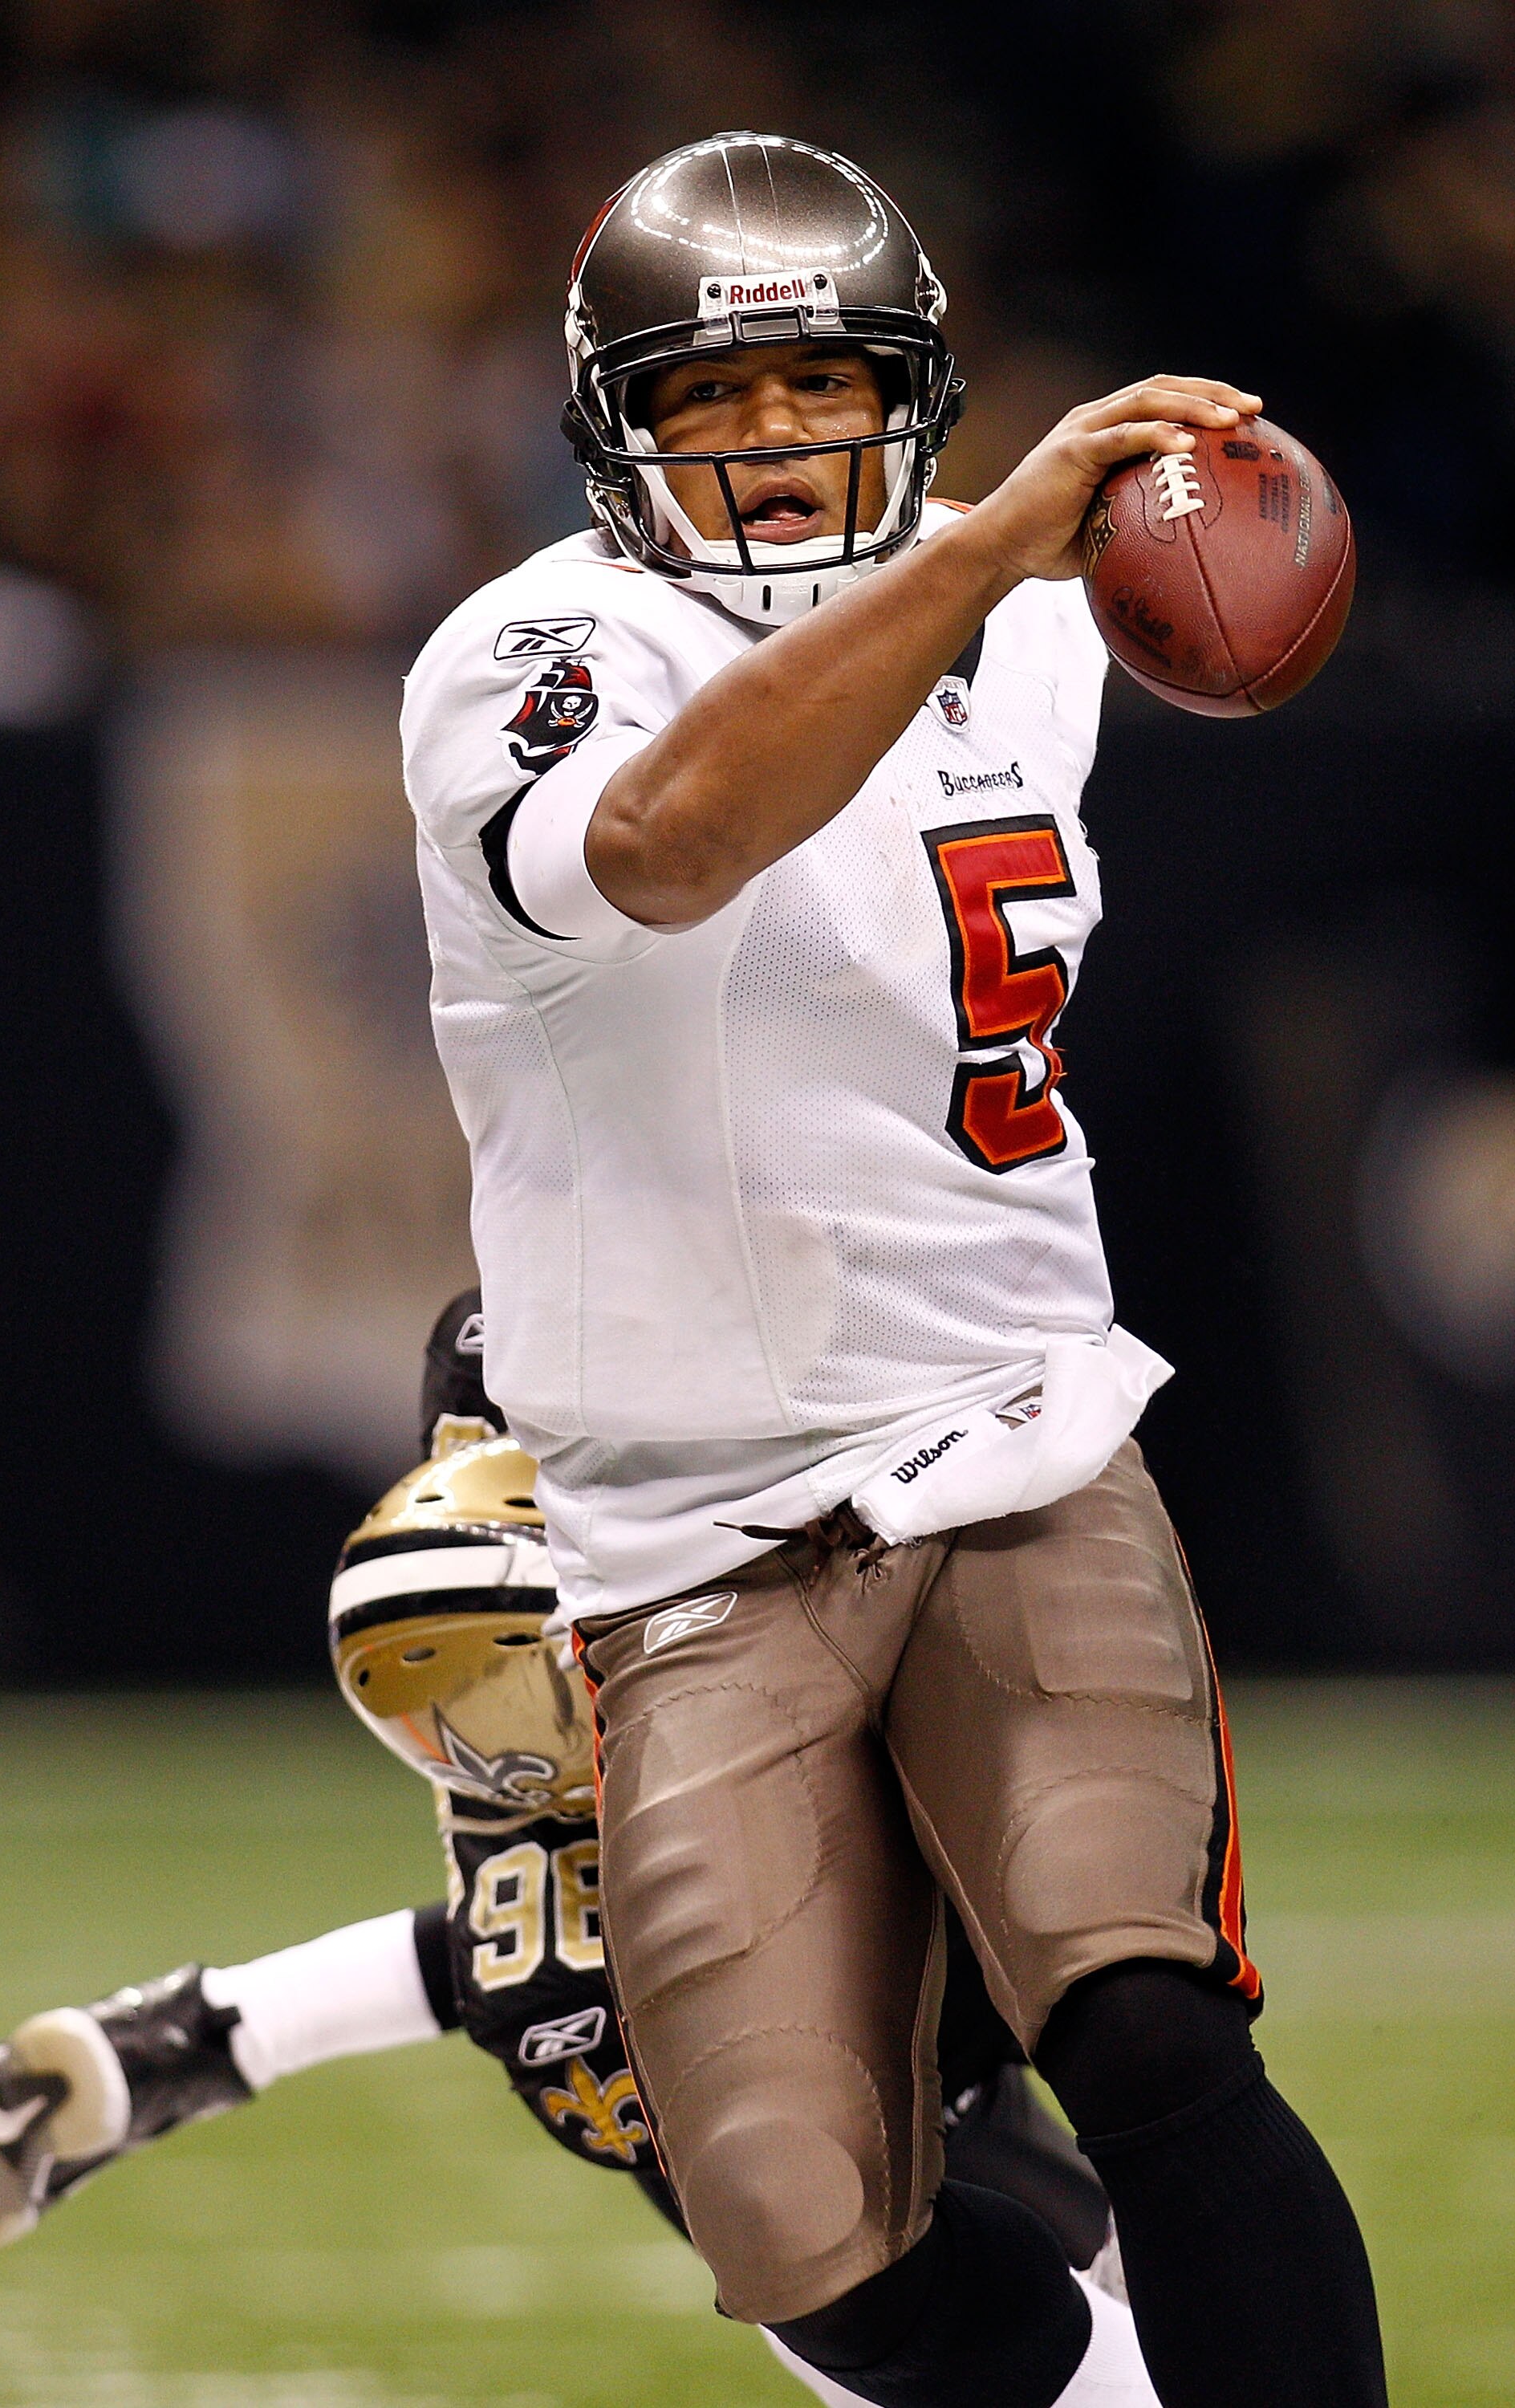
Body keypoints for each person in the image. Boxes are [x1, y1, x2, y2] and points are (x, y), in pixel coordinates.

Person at [398, 132, 1388, 2408]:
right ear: (610, 433)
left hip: (1007, 1432)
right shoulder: (525, 653)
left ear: (910, 388)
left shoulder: (1040, 609)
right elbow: (662, 846)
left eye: (823, 383)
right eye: (709, 402)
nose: (774, 441)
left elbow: (1202, 595)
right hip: (682, 1524)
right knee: (803, 2231)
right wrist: (980, 565)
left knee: (1138, 2011)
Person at [0, 1296, 1142, 2404]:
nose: (487, 1758)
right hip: (850, 2133)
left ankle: (182, 2039)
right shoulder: (603, 1778)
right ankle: (185, 2042)